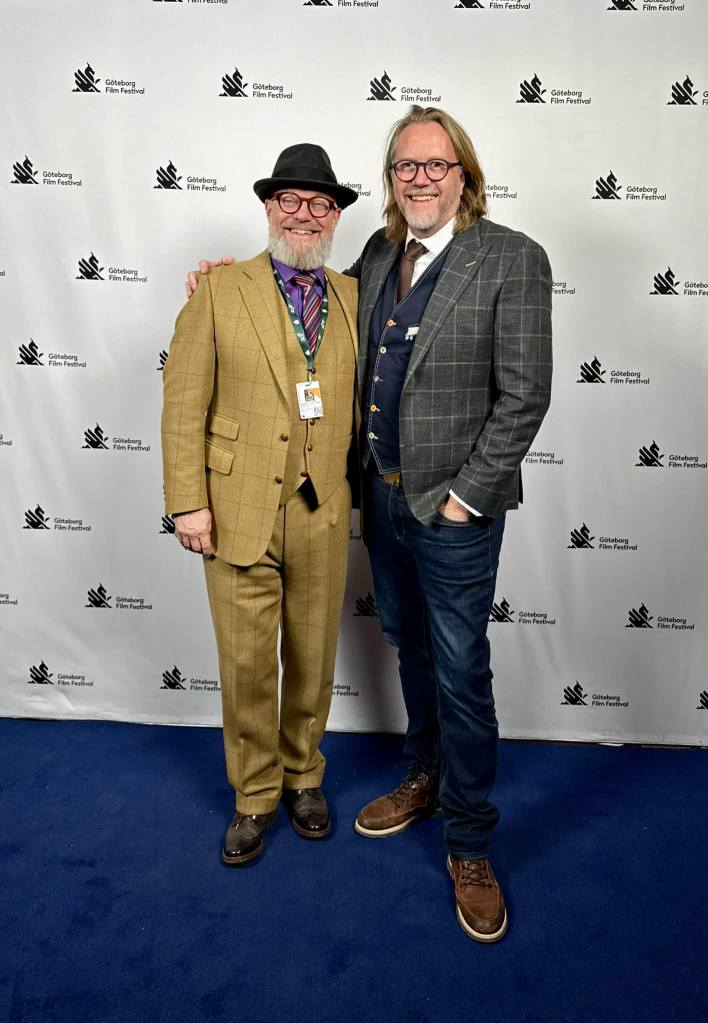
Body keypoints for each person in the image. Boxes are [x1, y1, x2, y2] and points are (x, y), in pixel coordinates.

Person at [185, 105, 552, 941]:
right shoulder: (378, 258)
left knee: (461, 671)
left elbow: (526, 393)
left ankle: (469, 843)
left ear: (464, 174)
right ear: (390, 181)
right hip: (380, 502)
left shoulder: (512, 258)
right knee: (412, 652)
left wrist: (465, 497)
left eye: (436, 164)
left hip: (455, 513)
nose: (420, 178)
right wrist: (222, 280)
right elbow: (296, 305)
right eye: (405, 166)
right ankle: (425, 774)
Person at [162, 144, 359, 866]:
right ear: (269, 208)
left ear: (335, 216)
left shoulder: (354, 295)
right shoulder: (218, 289)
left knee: (313, 657)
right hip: (235, 508)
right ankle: (254, 794)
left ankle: (304, 777)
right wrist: (188, 503)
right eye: (290, 201)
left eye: (320, 204)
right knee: (247, 667)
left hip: (322, 508)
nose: (304, 215)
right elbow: (183, 402)